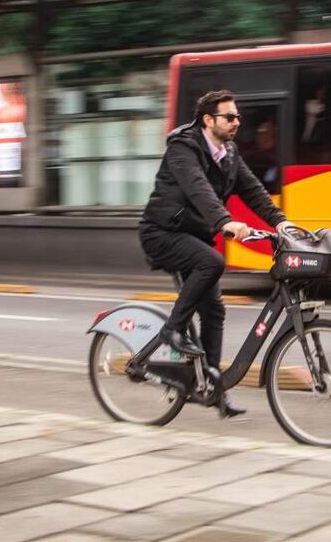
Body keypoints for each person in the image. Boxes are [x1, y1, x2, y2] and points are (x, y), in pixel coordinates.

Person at [139, 90, 293, 418]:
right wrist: (224, 220)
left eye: (238, 117)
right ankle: (172, 332)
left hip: (193, 236)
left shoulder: (229, 153)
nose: (237, 122)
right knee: (212, 261)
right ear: (209, 120)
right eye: (230, 117)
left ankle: (213, 391)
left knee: (215, 313)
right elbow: (198, 188)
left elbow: (254, 191)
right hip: (163, 233)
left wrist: (282, 224)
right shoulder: (184, 147)